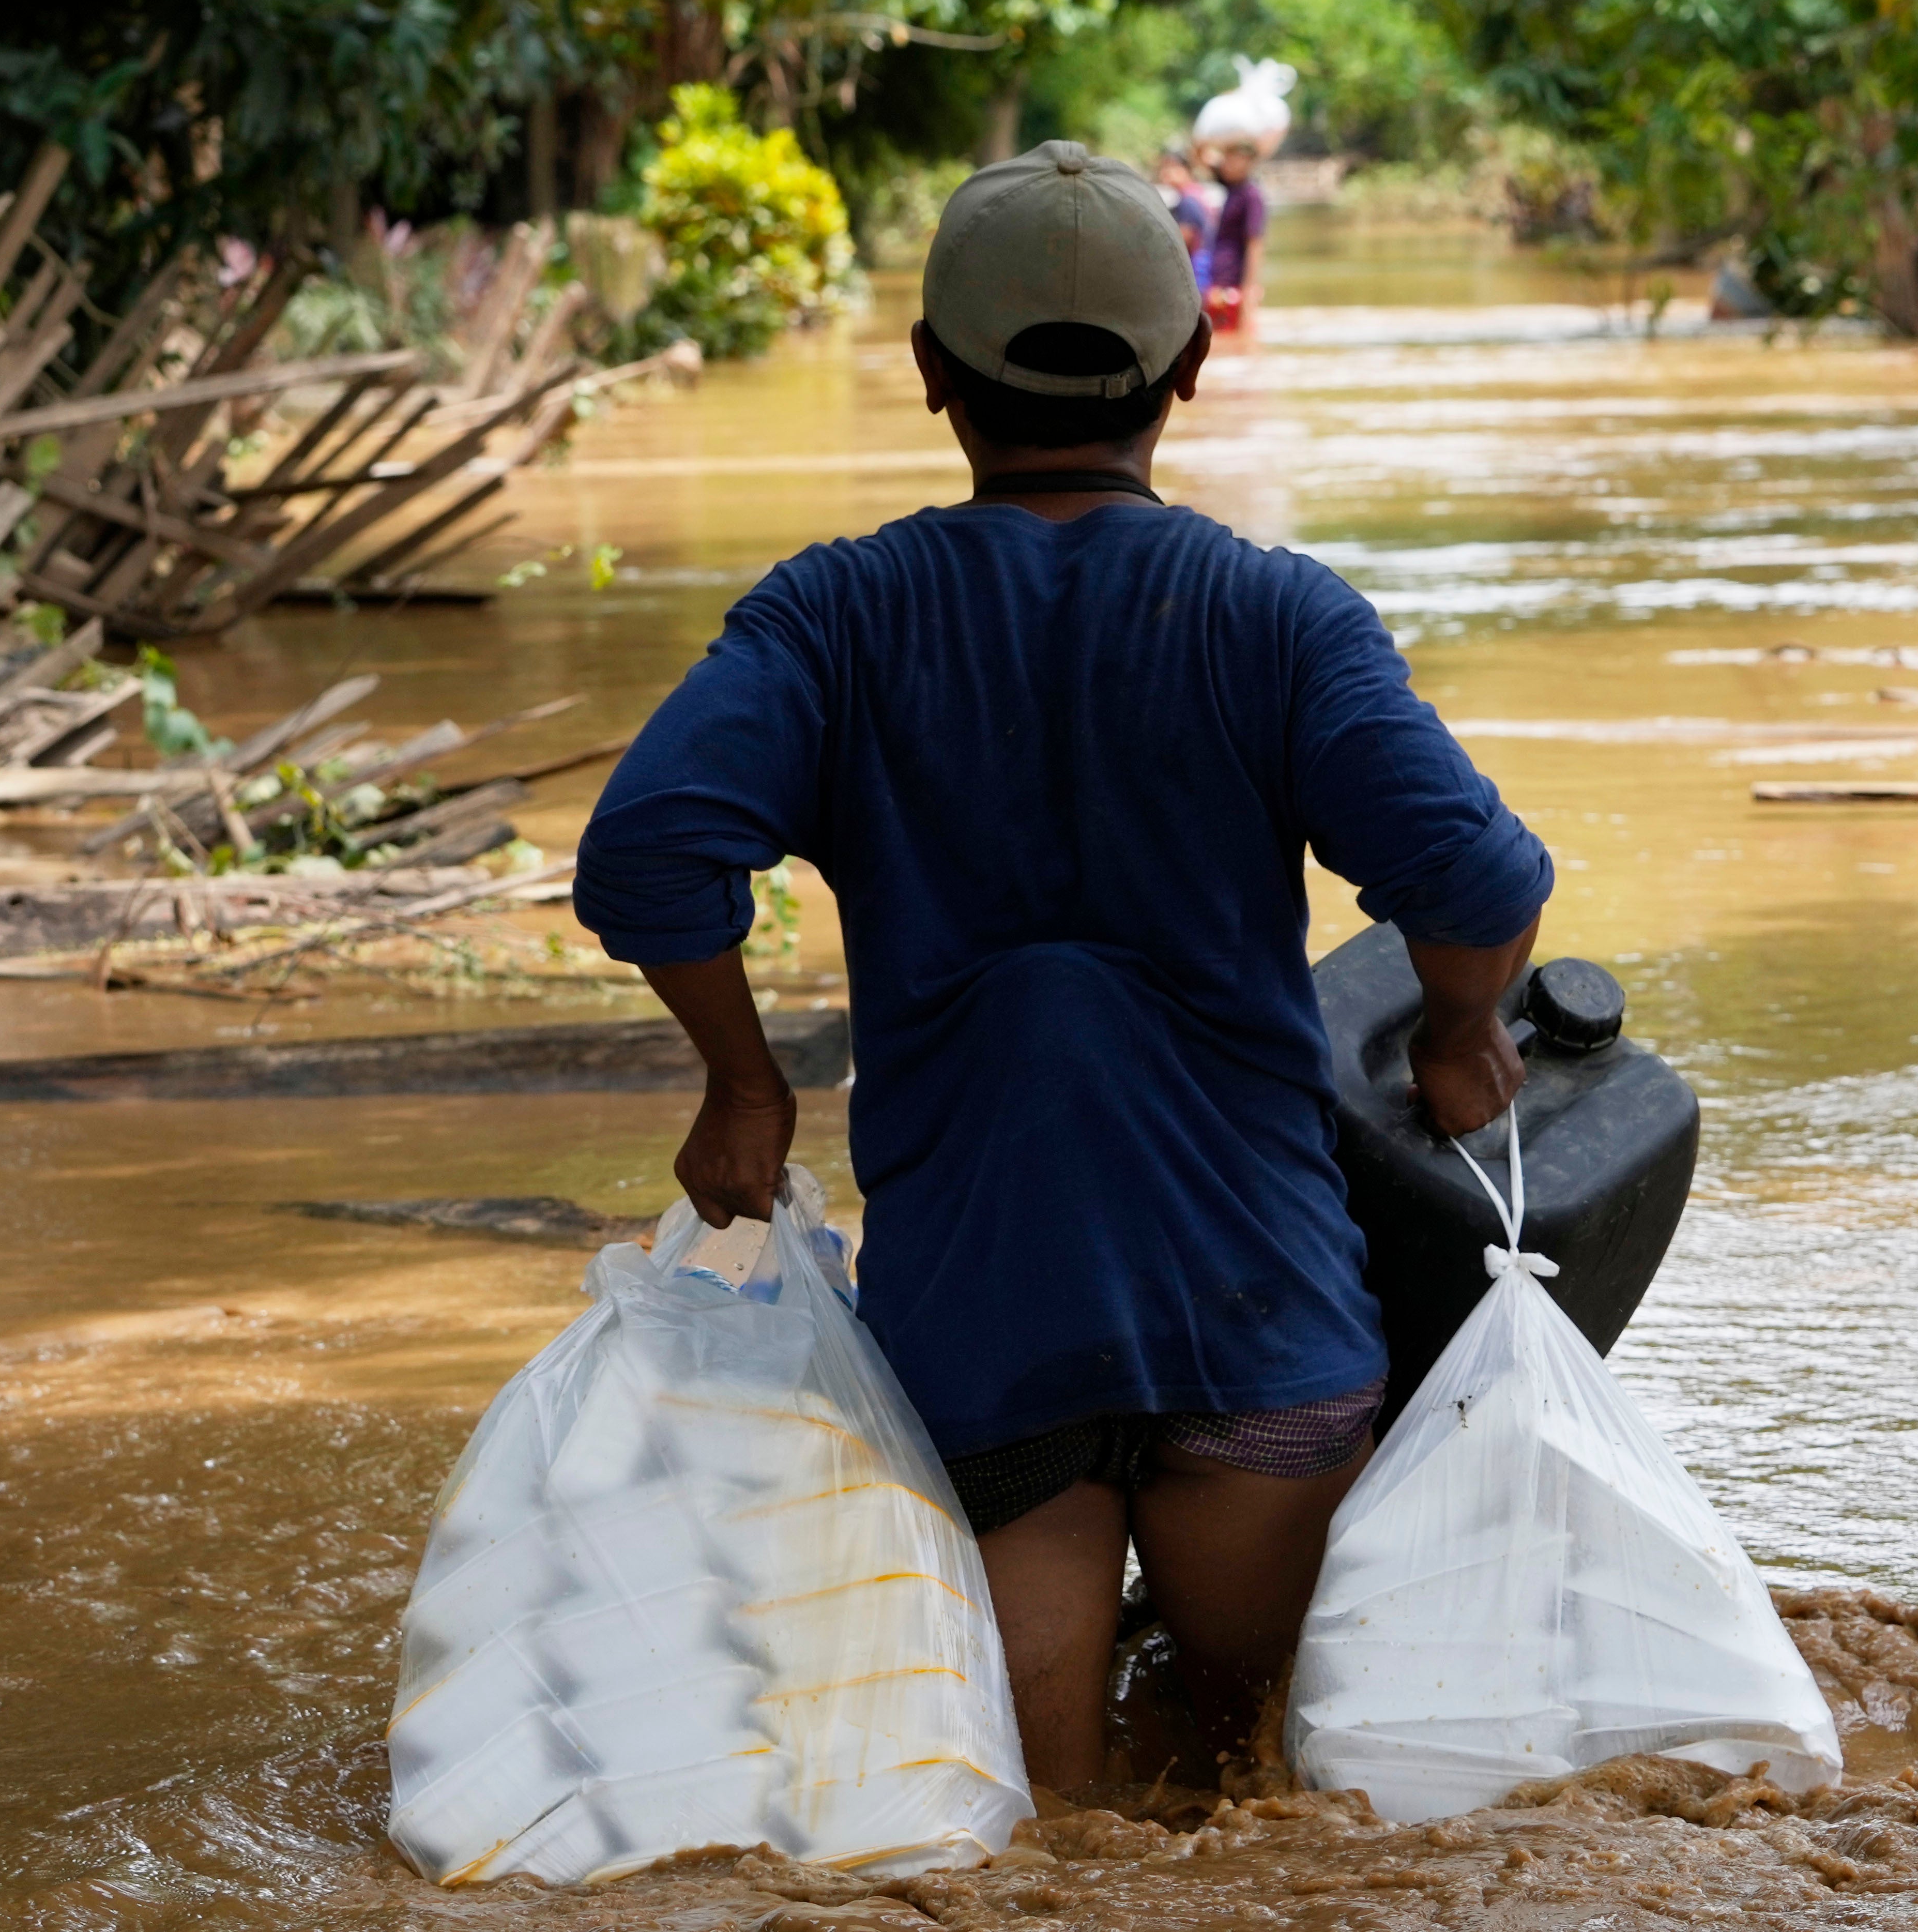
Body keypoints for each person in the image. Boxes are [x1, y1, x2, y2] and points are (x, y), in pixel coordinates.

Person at [573, 141, 1551, 1791]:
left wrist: (745, 1086)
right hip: (1261, 1321)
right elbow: (1477, 879)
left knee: (1038, 1828)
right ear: (1189, 366)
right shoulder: (1278, 618)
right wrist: (1460, 1033)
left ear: (934, 376)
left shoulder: (836, 620)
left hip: (986, 1338)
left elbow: (647, 854)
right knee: (1271, 1798)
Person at [1200, 134, 1266, 333]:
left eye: (1232, 159)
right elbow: (1200, 155)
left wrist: (1249, 290)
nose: (1225, 164)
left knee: (1234, 337)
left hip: (1233, 282)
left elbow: (1255, 244)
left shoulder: (1251, 196)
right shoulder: (1230, 187)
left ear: (1247, 162)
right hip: (1217, 278)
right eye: (1225, 158)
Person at [1151, 146, 1214, 294]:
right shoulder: (1197, 193)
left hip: (1198, 273)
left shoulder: (1189, 201)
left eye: (1172, 166)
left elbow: (1181, 241)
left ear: (1186, 169)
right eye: (1164, 167)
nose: (1166, 172)